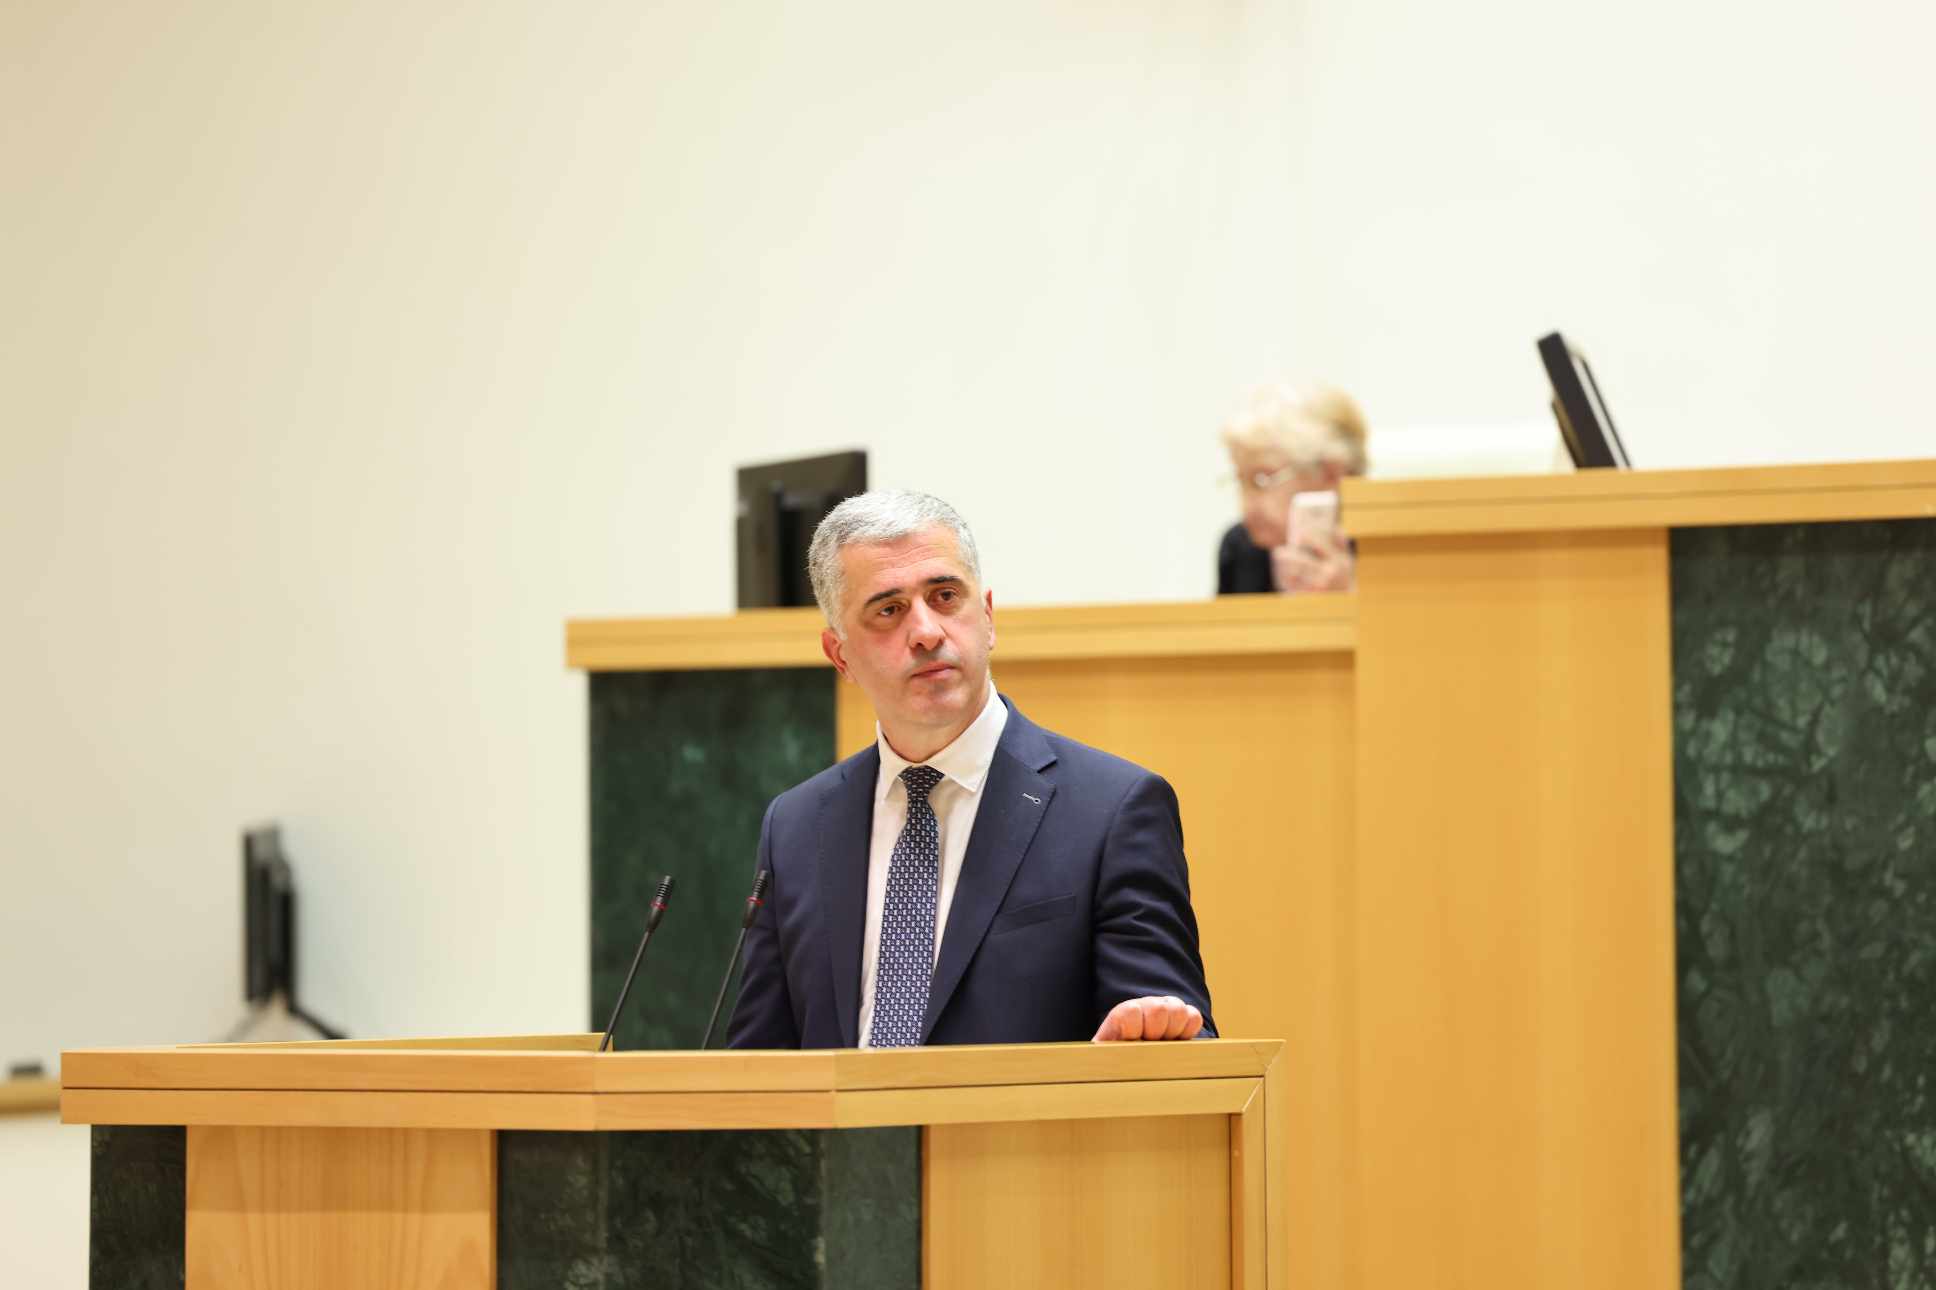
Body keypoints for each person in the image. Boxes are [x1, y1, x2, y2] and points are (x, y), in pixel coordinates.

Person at [727, 491, 1215, 1049]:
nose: (927, 632)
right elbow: (759, 1065)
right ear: (840, 656)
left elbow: (1181, 1041)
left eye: (945, 597)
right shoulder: (795, 825)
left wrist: (1136, 1048)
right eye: (888, 610)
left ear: (987, 618)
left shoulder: (1112, 810)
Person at [1216, 383, 1369, 595]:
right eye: (1241, 481)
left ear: (1331, 474)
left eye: (1261, 480)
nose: (1246, 504)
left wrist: (1347, 596)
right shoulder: (1240, 548)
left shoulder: (1386, 544)